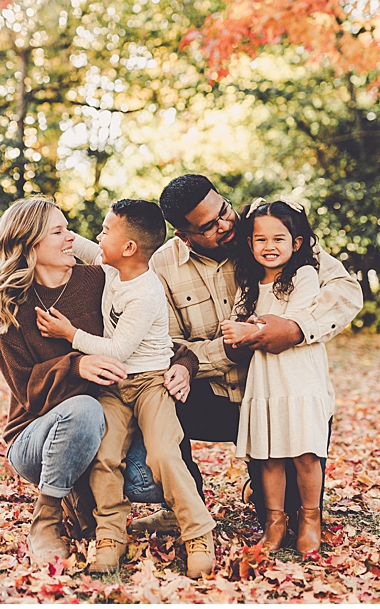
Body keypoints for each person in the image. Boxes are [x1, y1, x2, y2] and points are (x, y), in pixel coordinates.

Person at [127, 175, 362, 545]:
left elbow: (346, 291)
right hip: (215, 397)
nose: (226, 224)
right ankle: (184, 506)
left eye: (224, 210)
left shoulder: (267, 231)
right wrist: (226, 351)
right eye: (210, 226)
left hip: (280, 392)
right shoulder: (162, 267)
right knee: (159, 395)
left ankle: (282, 499)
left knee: (291, 505)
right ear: (184, 236)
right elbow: (166, 345)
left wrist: (296, 329)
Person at [0, 197, 198, 566]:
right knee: (84, 410)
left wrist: (185, 363)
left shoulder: (99, 279)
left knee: (151, 480)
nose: (71, 238)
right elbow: (26, 389)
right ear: (30, 243)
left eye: (68, 228)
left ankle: (85, 501)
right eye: (58, 232)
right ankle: (46, 519)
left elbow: (147, 339)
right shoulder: (11, 307)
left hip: (106, 425)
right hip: (35, 438)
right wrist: (77, 366)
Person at [34, 199, 216, 577]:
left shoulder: (145, 292)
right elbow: (83, 247)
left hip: (151, 384)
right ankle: (110, 537)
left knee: (164, 454)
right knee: (104, 457)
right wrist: (56, 235)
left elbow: (117, 350)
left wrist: (69, 334)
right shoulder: (113, 268)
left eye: (105, 231)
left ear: (129, 248)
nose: (97, 237)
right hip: (115, 386)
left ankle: (198, 534)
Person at [221, 198, 333, 556]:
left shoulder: (304, 276)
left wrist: (247, 329)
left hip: (299, 375)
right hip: (266, 379)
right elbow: (238, 326)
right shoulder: (249, 283)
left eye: (278, 239)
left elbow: (290, 323)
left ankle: (310, 520)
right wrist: (238, 332)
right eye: (260, 239)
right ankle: (274, 522)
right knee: (267, 456)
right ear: (250, 243)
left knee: (305, 454)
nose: (269, 247)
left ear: (296, 243)